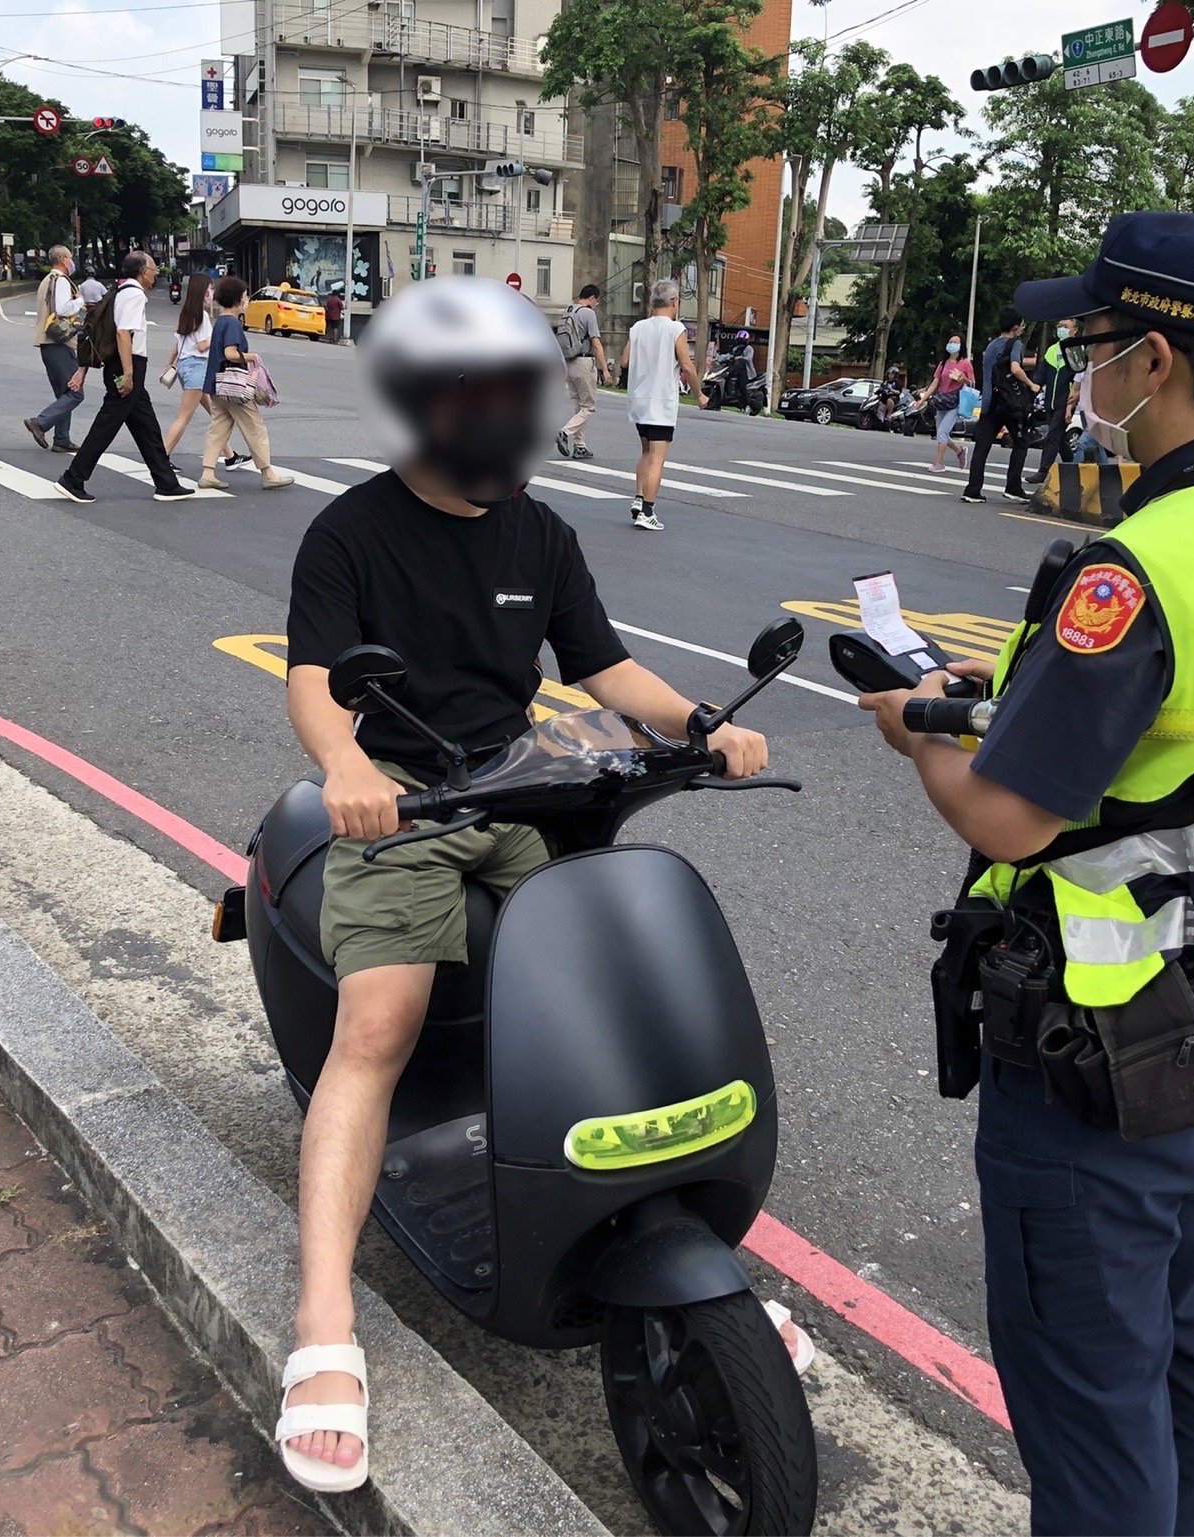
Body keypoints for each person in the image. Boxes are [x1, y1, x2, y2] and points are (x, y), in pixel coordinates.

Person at [860, 211, 1194, 1537]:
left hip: (1097, 1038)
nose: (1073, 369)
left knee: (1091, 1399)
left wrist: (919, 737)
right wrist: (1022, 690)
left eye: (1087, 343)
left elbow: (1009, 821)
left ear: (1154, 359)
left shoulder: (1143, 559)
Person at [274, 275, 793, 1494]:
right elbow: (311, 680)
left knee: (608, 987)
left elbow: (603, 666)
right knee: (379, 1025)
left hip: (512, 787)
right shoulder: (348, 532)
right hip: (404, 802)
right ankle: (321, 1321)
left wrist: (703, 723)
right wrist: (346, 762)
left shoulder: (539, 532)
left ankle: (660, 1227)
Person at [55, 253, 196, 505]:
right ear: (143, 271)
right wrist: (129, 374)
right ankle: (73, 479)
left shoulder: (121, 291)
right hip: (127, 364)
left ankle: (166, 482)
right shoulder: (134, 294)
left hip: (124, 364)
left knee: (146, 426)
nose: (156, 273)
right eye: (153, 269)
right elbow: (123, 333)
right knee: (106, 425)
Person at [198, 274, 295, 491]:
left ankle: (208, 473)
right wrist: (252, 357)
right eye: (245, 296)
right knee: (255, 428)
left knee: (218, 429)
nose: (247, 299)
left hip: (216, 385)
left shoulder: (220, 321)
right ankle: (268, 474)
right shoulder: (233, 323)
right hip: (234, 387)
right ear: (236, 299)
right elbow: (230, 353)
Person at [621, 278, 697, 531]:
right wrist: (699, 394)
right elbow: (686, 365)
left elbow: (624, 361)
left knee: (646, 452)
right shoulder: (675, 329)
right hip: (661, 404)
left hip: (639, 402)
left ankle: (639, 497)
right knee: (657, 458)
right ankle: (648, 512)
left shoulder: (638, 328)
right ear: (674, 302)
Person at [962, 306, 1038, 504]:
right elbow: (1015, 368)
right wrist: (1031, 384)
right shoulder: (1015, 344)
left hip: (989, 403)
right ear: (1015, 327)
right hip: (1009, 404)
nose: (1022, 328)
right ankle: (1013, 488)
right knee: (1021, 442)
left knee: (982, 448)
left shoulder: (991, 345)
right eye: (1021, 325)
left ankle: (972, 490)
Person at [25, 246, 86, 455]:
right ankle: (40, 423)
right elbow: (62, 309)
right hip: (60, 343)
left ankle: (62, 439)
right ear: (62, 259)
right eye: (70, 257)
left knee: (64, 393)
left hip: (47, 343)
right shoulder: (61, 280)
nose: (72, 261)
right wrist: (79, 301)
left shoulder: (46, 280)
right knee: (75, 393)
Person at [554, 284, 614, 459]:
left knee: (579, 407)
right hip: (584, 362)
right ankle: (564, 432)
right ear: (592, 298)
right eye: (597, 301)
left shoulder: (569, 311)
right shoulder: (588, 313)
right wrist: (605, 369)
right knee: (588, 407)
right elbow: (596, 343)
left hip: (569, 363)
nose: (596, 304)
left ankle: (580, 446)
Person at [162, 272, 216, 460]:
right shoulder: (202, 316)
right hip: (197, 368)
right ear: (202, 290)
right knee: (183, 418)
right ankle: (162, 456)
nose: (211, 292)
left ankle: (230, 455)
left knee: (215, 415)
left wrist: (170, 363)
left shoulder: (186, 313)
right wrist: (218, 337)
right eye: (209, 288)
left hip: (185, 367)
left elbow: (179, 344)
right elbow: (202, 346)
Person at [1023, 321, 1079, 484]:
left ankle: (1042, 471)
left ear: (1075, 331)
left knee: (1052, 435)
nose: (1061, 329)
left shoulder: (1077, 351)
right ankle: (1072, 466)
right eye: (1059, 326)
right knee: (1059, 438)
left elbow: (1079, 378)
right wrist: (1033, 387)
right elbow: (1041, 375)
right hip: (1050, 402)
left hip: (1066, 401)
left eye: (1066, 327)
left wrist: (1071, 403)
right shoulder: (1052, 350)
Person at [926, 334, 975, 474]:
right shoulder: (943, 363)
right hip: (942, 401)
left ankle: (939, 463)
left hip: (955, 402)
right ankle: (960, 451)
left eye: (955, 342)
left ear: (961, 346)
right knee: (941, 434)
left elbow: (972, 384)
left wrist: (963, 379)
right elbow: (935, 383)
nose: (952, 344)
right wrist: (921, 400)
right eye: (950, 341)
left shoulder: (965, 363)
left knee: (942, 432)